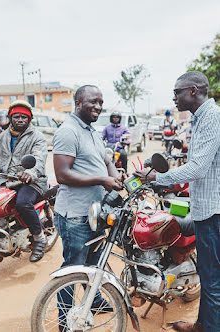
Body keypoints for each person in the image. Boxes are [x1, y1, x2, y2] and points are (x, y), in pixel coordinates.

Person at [135, 71, 220, 332]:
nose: (174, 98)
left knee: (213, 280)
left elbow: (197, 168)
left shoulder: (212, 117)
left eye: (177, 92)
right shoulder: (200, 118)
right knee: (208, 276)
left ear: (193, 91)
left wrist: (159, 178)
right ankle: (202, 326)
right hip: (205, 207)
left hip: (213, 211)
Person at [53, 85, 122, 331]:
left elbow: (105, 158)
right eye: (93, 101)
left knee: (94, 260)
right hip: (76, 215)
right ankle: (64, 323)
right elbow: (62, 174)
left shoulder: (92, 130)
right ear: (78, 102)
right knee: (73, 269)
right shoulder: (68, 131)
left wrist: (113, 175)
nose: (99, 106)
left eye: (101, 102)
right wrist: (102, 180)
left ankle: (96, 301)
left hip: (94, 213)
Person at [0, 100, 48, 262]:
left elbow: (39, 158)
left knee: (23, 203)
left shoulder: (37, 137)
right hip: (5, 180)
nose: (20, 120)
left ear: (29, 119)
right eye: (16, 117)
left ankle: (39, 238)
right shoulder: (2, 137)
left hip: (30, 182)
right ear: (10, 118)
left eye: (24, 117)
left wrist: (31, 172)